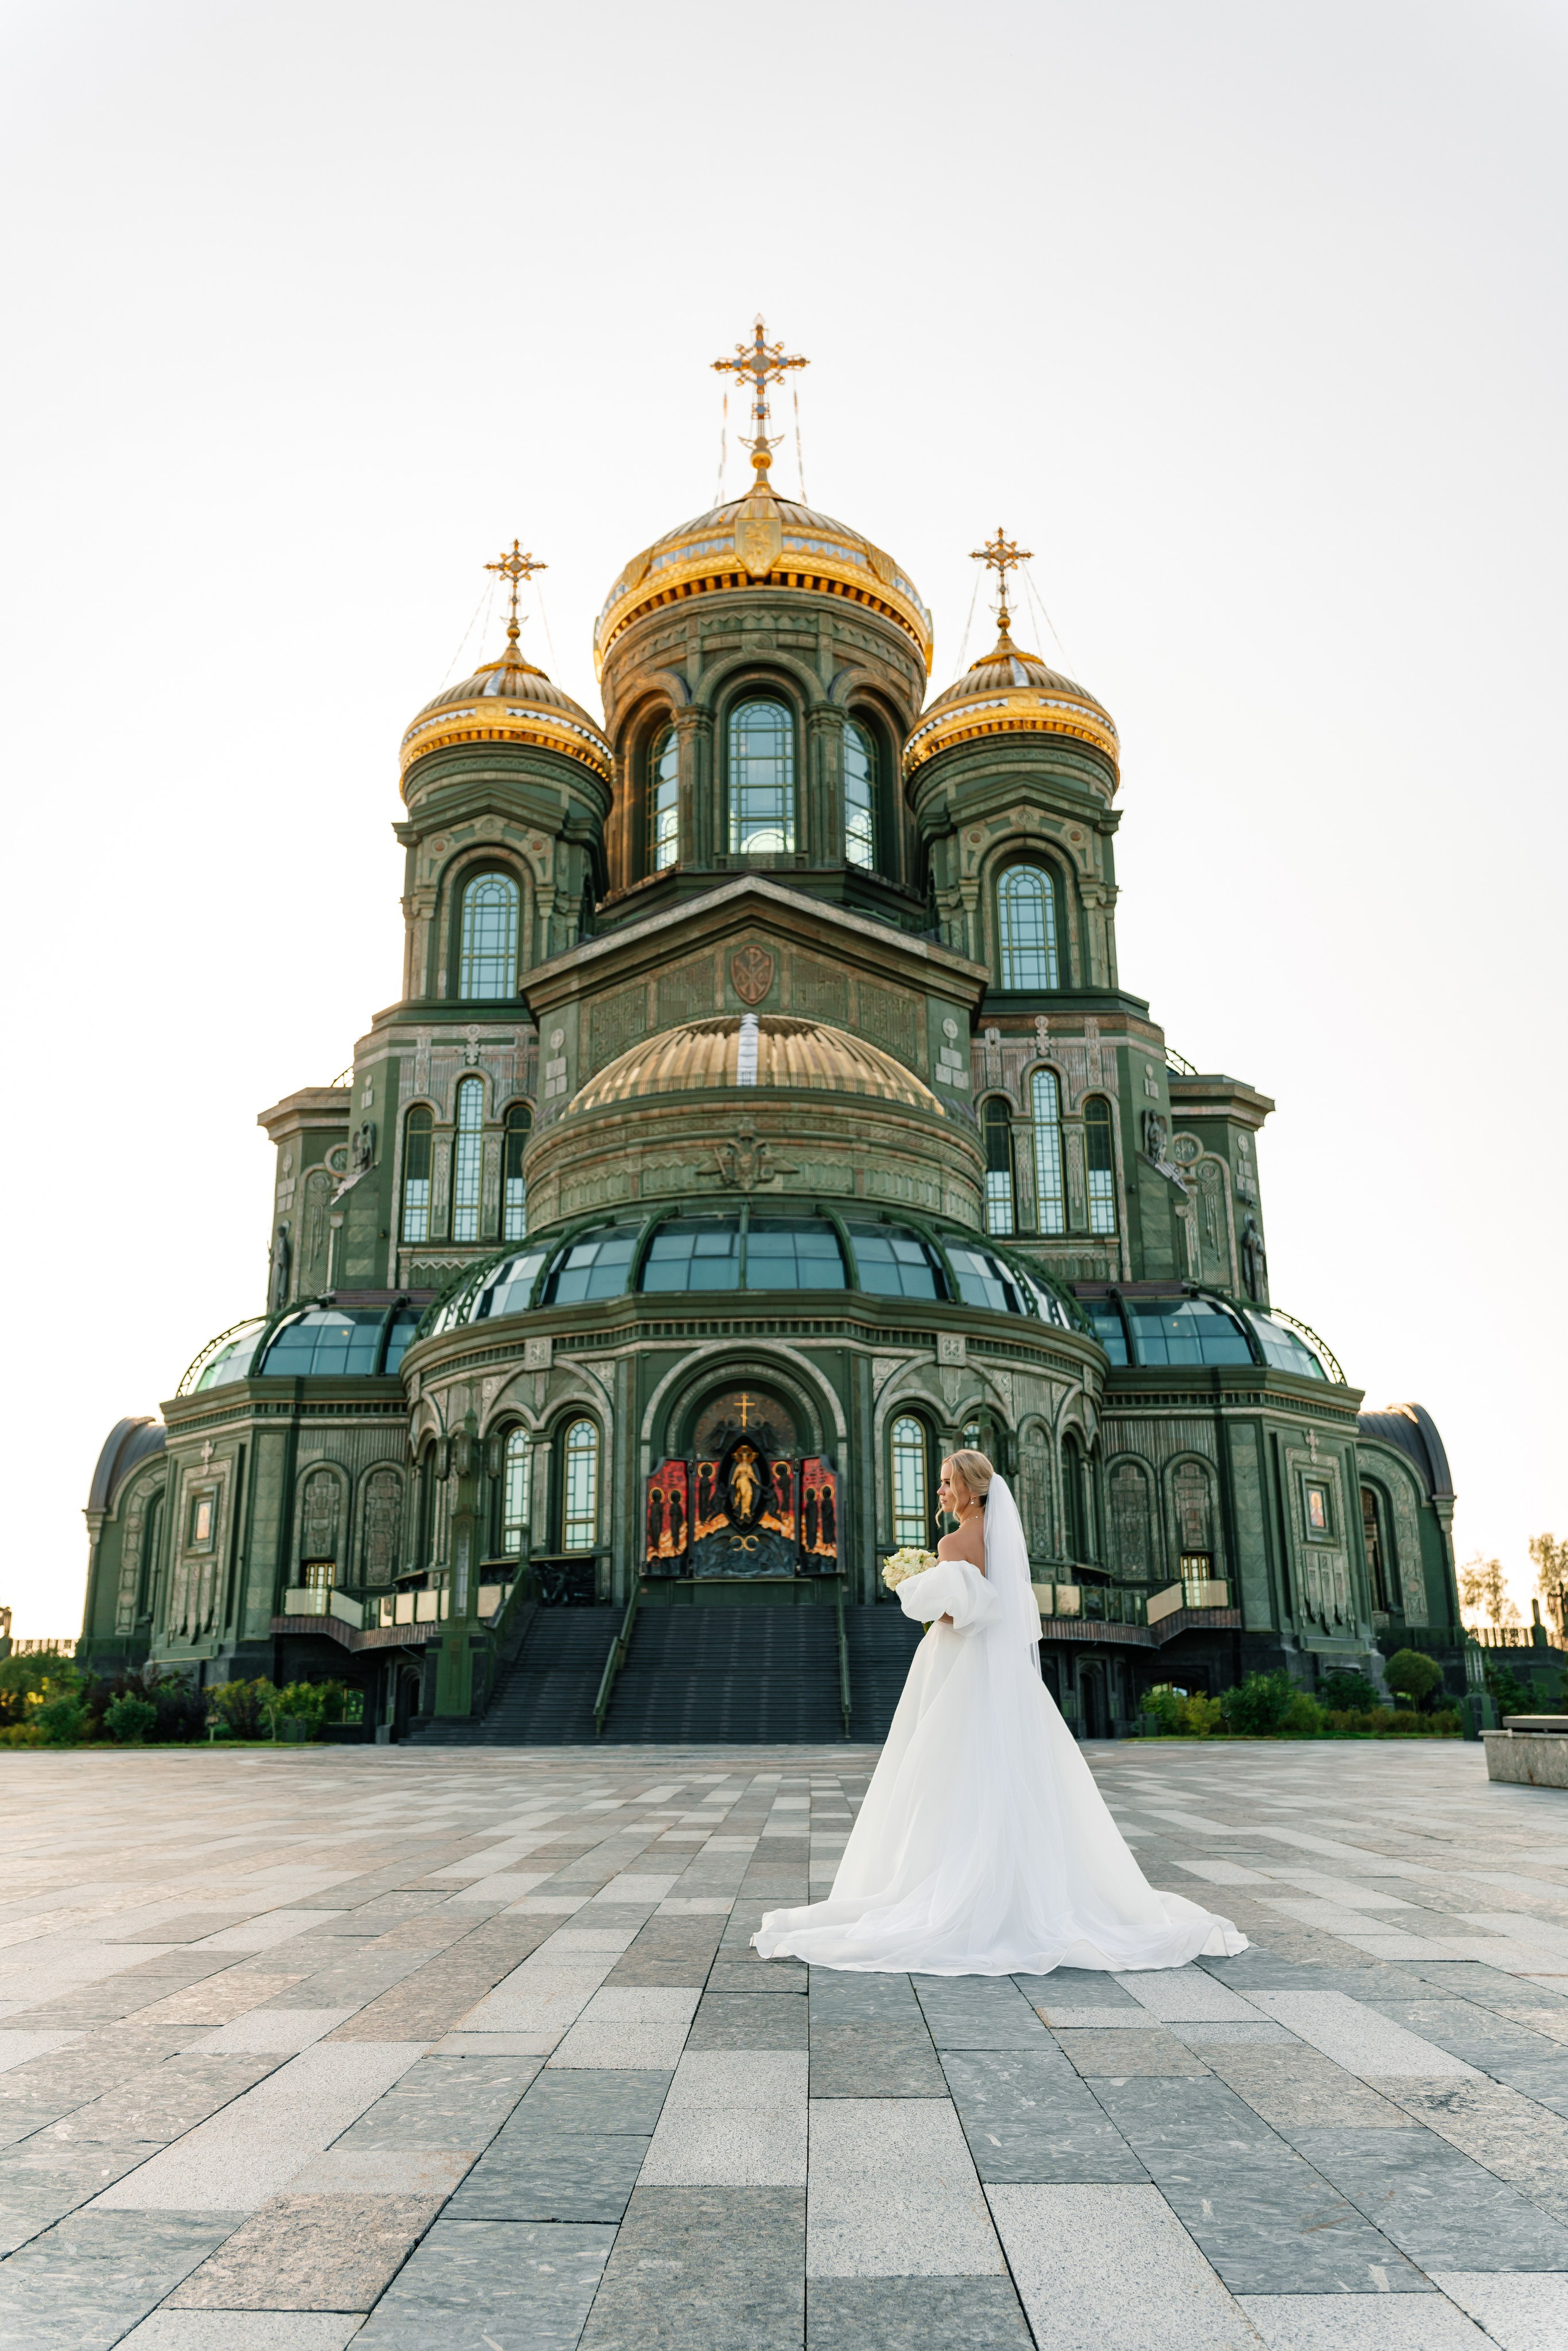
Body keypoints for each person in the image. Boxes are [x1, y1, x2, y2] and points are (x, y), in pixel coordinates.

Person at [753, 1449, 1247, 1976]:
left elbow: (955, 1614)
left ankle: (953, 1880)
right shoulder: (1002, 1540)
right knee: (1007, 1772)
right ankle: (1020, 1886)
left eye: (946, 1483)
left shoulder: (954, 1542)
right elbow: (998, 1607)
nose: (939, 1492)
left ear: (970, 1489)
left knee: (945, 1772)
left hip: (958, 1667)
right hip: (1001, 1674)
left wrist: (912, 1586)